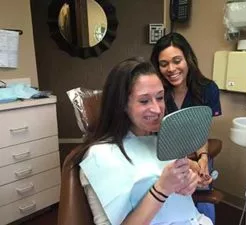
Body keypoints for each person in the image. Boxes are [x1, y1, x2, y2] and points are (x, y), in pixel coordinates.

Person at [79, 57, 213, 225]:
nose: (157, 109)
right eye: (144, 101)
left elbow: (178, 190)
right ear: (121, 104)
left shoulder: (163, 140)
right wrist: (162, 189)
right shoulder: (100, 156)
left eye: (160, 97)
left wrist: (189, 182)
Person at [150, 32, 222, 223]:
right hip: (164, 153)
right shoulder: (157, 94)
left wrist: (203, 159)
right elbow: (155, 138)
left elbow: (201, 132)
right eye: (164, 64)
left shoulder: (208, 89)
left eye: (177, 60)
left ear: (187, 59)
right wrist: (184, 162)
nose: (171, 69)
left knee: (204, 190)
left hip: (194, 150)